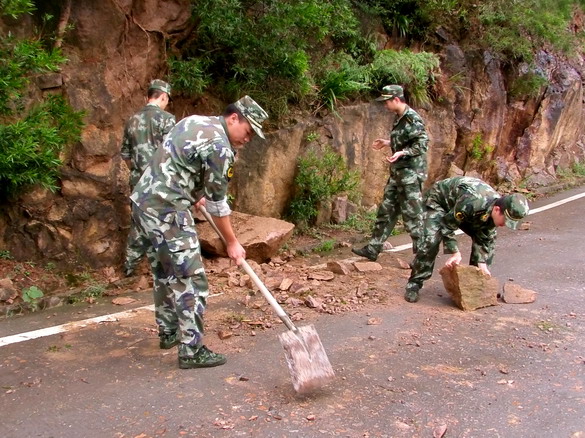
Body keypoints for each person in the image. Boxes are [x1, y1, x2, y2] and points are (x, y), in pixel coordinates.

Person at [130, 95, 268, 368]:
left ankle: (169, 331)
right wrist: (232, 242)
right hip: (168, 211)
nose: (247, 139)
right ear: (233, 118)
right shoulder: (221, 146)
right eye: (248, 131)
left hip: (142, 202)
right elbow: (218, 204)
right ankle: (192, 351)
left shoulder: (195, 120)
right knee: (192, 280)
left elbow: (176, 160)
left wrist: (192, 193)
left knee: (164, 271)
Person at [404, 176, 529, 303]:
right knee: (431, 241)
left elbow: (484, 240)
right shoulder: (473, 202)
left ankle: (475, 287)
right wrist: (454, 252)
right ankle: (414, 283)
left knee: (488, 245)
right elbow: (447, 225)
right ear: (497, 210)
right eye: (506, 220)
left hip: (463, 210)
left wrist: (482, 265)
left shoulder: (492, 212)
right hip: (440, 202)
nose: (505, 225)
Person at [352, 84, 429, 262]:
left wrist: (403, 153)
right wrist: (388, 142)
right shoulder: (399, 117)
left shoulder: (412, 119)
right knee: (386, 211)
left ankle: (422, 258)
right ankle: (373, 248)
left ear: (396, 99)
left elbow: (422, 144)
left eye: (387, 101)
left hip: (410, 175)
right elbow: (405, 140)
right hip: (398, 174)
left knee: (413, 216)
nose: (385, 105)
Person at [121, 79, 176, 277]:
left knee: (139, 223)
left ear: (147, 97)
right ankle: (164, 270)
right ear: (163, 96)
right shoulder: (167, 119)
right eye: (166, 99)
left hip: (137, 180)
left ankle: (129, 267)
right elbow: (172, 153)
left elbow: (125, 155)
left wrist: (139, 170)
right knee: (165, 222)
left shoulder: (132, 120)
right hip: (160, 181)